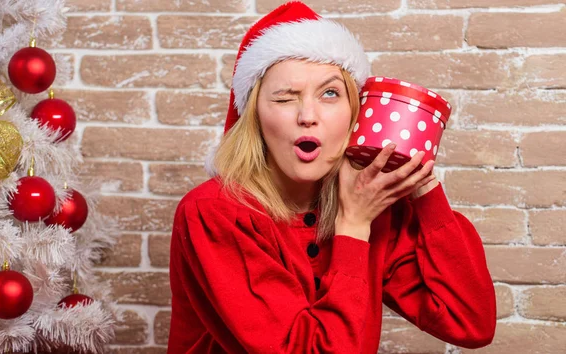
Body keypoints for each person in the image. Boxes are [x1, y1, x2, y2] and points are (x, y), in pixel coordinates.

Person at [167, 1, 496, 353]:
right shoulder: (213, 213)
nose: (308, 115)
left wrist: (424, 190)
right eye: (284, 98)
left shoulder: (369, 204)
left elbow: (470, 322)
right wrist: (353, 227)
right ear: (256, 119)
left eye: (329, 94)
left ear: (356, 115)